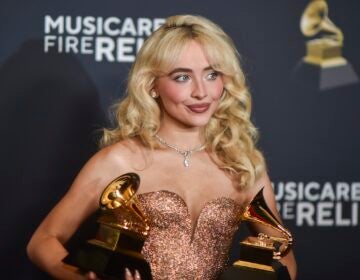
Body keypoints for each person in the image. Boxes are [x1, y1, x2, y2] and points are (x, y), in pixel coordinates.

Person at [27, 14, 297, 280]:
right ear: (152, 85)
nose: (201, 92)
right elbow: (43, 241)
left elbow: (282, 254)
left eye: (212, 74)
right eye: (182, 77)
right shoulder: (119, 161)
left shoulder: (242, 165)